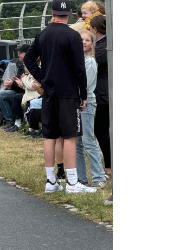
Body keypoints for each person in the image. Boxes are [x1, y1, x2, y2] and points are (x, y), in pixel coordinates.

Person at [23, 0, 97, 194]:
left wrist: (42, 77)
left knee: (50, 135)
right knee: (70, 136)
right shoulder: (73, 36)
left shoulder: (43, 34)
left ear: (52, 13)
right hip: (69, 91)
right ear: (70, 14)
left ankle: (50, 181)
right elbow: (80, 68)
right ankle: (72, 182)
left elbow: (29, 59)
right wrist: (83, 93)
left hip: (49, 91)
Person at [72, 28, 106, 188]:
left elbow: (85, 85)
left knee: (88, 141)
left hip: (87, 103)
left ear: (92, 44)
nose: (83, 42)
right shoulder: (75, 60)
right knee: (77, 142)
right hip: (74, 103)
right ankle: (81, 178)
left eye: (87, 40)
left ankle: (99, 177)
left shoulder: (90, 62)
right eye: (81, 40)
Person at [90, 15, 110, 177]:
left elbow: (97, 62)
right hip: (104, 93)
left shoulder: (103, 47)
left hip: (103, 94)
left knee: (101, 130)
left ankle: (109, 166)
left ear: (95, 30)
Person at [0, 44, 28, 133]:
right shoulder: (22, 65)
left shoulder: (30, 65)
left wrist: (13, 84)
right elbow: (19, 82)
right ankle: (9, 121)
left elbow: (26, 85)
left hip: (29, 91)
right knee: (1, 95)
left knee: (15, 97)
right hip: (22, 89)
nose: (19, 55)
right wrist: (11, 84)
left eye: (21, 53)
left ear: (26, 53)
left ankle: (17, 123)